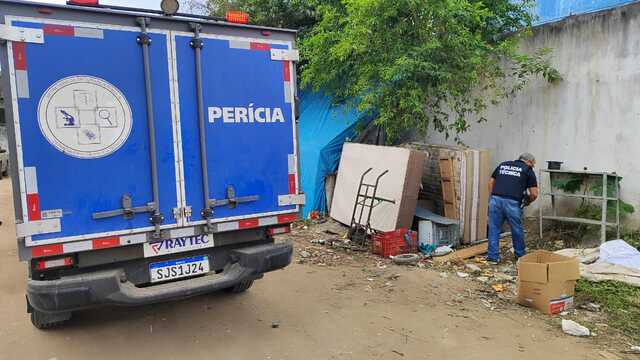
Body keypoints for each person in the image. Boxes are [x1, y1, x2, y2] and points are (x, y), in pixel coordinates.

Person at [487, 152, 539, 264]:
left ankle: (492, 257)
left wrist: (493, 197)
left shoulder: (503, 165)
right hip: (513, 202)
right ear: (528, 161)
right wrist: (527, 201)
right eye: (533, 164)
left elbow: (491, 181)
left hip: (495, 200)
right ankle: (520, 256)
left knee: (494, 228)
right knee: (516, 229)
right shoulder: (527, 170)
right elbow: (534, 193)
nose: (532, 167)